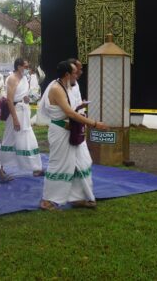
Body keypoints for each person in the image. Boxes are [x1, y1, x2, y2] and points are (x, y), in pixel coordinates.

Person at [39, 61, 109, 211]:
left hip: (73, 132)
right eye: (74, 73)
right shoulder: (57, 88)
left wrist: (80, 107)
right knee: (59, 165)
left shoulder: (68, 87)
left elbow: (70, 110)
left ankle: (77, 198)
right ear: (66, 75)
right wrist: (95, 123)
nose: (77, 75)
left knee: (83, 163)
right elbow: (69, 113)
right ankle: (47, 200)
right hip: (60, 133)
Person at [0, 58, 44, 176]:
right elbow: (9, 100)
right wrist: (15, 119)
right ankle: (0, 167)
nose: (27, 68)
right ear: (19, 67)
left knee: (28, 137)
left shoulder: (24, 78)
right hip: (15, 112)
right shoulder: (12, 79)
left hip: (24, 110)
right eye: (25, 66)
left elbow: (22, 95)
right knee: (9, 137)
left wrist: (26, 98)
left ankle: (36, 168)